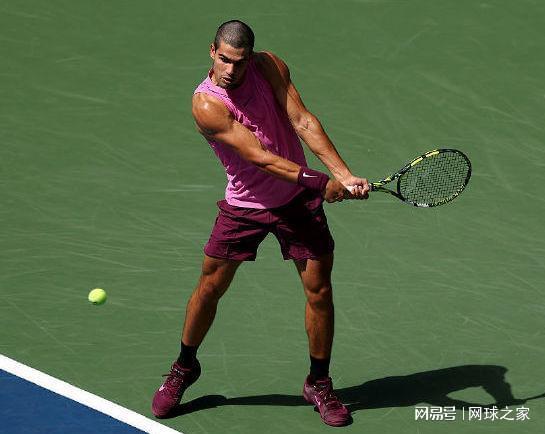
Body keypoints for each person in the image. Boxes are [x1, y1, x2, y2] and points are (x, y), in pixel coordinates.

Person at [152, 19, 369, 427]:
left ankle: (319, 382)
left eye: (240, 62)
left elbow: (303, 121)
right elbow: (260, 158)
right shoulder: (207, 104)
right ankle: (184, 367)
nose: (231, 70)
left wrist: (342, 174)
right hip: (245, 205)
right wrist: (320, 182)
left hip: (296, 202)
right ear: (212, 51)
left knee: (319, 290)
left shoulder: (269, 66)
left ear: (251, 57)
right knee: (210, 287)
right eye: (224, 59)